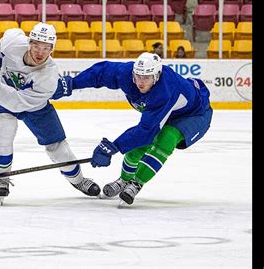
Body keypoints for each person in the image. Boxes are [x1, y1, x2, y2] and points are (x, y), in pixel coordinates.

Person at [52, 52, 213, 205]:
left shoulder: (164, 91)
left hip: (194, 114)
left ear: (156, 77)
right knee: (138, 146)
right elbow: (101, 72)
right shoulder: (127, 74)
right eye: (138, 76)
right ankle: (124, 180)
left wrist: (113, 147)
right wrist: (72, 83)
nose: (141, 82)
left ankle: (136, 183)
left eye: (147, 78)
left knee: (166, 138)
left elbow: (145, 131)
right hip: (168, 110)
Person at [0, 22, 101, 204]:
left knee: (59, 148)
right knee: (4, 127)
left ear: (52, 49)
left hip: (33, 105)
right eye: (36, 45)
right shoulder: (13, 41)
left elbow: (16, 103)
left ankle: (79, 180)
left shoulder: (49, 77)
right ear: (29, 42)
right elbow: (1, 47)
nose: (40, 52)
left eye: (46, 48)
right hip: (1, 97)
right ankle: (1, 176)